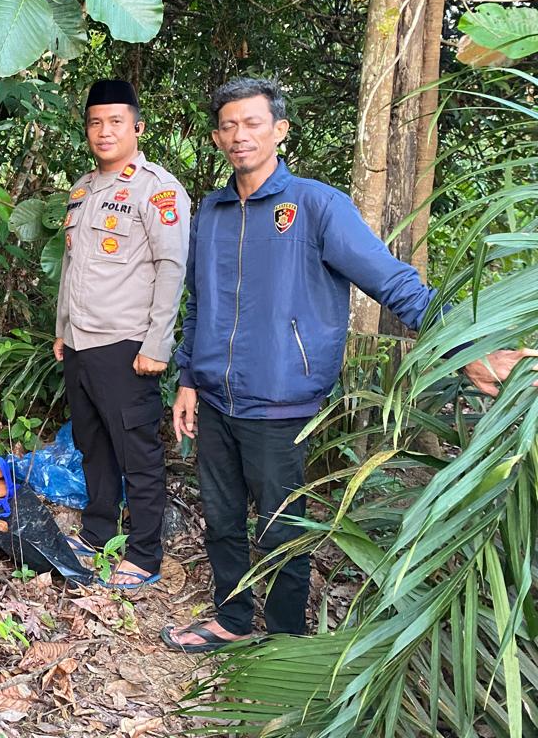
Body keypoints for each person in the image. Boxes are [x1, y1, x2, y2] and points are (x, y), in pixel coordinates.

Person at [163, 76, 537, 652]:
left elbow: (394, 282)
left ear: (279, 130)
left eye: (253, 123)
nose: (241, 136)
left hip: (281, 401)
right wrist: (187, 377)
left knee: (281, 527)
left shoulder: (315, 206)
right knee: (222, 516)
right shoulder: (210, 213)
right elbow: (198, 304)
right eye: (229, 126)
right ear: (216, 138)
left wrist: (467, 342)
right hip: (213, 397)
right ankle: (231, 619)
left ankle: (284, 639)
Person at [53, 79, 191, 588]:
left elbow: (172, 267)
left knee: (137, 451)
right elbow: (74, 266)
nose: (103, 131)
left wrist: (157, 344)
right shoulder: (83, 188)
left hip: (127, 345)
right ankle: (97, 531)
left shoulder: (157, 188)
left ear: (137, 127)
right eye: (95, 122)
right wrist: (63, 329)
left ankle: (145, 554)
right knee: (93, 444)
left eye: (115, 122)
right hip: (82, 344)